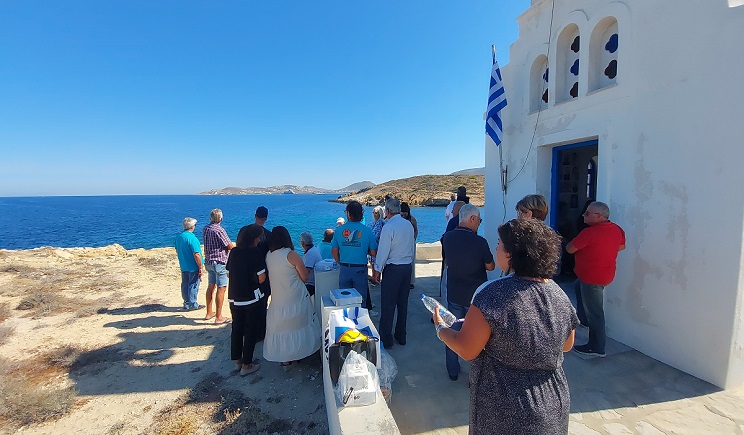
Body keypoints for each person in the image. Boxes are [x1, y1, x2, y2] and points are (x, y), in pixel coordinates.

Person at [434, 219, 578, 434]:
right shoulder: (559, 295)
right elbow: (566, 345)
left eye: (500, 244)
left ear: (512, 254)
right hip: (552, 402)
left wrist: (441, 329)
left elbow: (466, 348)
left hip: (503, 407)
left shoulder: (492, 294)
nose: (496, 247)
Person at [440, 204, 495, 381]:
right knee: (477, 338)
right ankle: (475, 377)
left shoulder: (447, 238)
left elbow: (448, 261)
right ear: (472, 219)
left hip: (454, 293)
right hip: (476, 298)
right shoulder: (480, 242)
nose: (480, 223)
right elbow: (491, 266)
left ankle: (452, 371)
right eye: (479, 219)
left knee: (453, 332)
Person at [566, 201, 625, 357]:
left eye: (587, 213)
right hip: (604, 275)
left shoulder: (589, 233)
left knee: (596, 313)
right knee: (577, 286)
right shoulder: (617, 229)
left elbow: (570, 249)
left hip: (592, 278)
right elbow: (621, 246)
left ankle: (597, 347)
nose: (583, 215)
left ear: (598, 216)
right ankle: (583, 320)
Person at [263, 226, 321, 366]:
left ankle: (285, 359)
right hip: (295, 296)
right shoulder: (291, 255)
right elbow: (305, 277)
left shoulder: (269, 256)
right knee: (298, 326)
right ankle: (298, 355)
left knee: (283, 330)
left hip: (278, 298)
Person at [372, 198, 415, 349]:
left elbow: (383, 251)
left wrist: (377, 270)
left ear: (387, 211)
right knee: (402, 303)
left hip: (393, 269)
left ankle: (386, 338)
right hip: (406, 267)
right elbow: (411, 246)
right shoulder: (408, 224)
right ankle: (401, 335)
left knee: (388, 304)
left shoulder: (389, 227)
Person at [226, 224, 266, 376]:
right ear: (255, 238)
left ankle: (237, 360)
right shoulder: (255, 253)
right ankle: (247, 365)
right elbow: (261, 278)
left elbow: (229, 273)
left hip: (234, 297)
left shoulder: (234, 252)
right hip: (251, 297)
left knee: (236, 328)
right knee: (250, 331)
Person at [332, 201, 378, 307]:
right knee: (361, 301)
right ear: (361, 214)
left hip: (344, 269)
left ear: (348, 213)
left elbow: (334, 252)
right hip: (360, 270)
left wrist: (341, 262)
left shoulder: (339, 230)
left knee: (344, 301)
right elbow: (374, 252)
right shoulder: (367, 230)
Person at [202, 208, 235, 324]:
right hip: (220, 262)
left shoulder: (206, 228)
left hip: (209, 261)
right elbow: (229, 245)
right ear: (220, 218)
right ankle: (219, 317)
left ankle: (209, 312)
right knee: (222, 288)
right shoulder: (219, 230)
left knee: (211, 286)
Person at [175, 217, 204, 311]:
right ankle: (193, 303)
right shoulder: (192, 238)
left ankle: (186, 302)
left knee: (185, 284)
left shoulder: (179, 237)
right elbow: (196, 254)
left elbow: (177, 249)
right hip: (192, 265)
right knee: (193, 284)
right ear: (191, 226)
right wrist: (200, 266)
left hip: (184, 264)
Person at [400, 202, 418, 288]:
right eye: (402, 211)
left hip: (411, 242)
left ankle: (411, 281)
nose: (403, 213)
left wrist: (413, 238)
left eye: (405, 211)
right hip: (402, 243)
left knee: (411, 261)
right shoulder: (399, 219)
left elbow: (416, 230)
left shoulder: (412, 219)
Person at [300, 231, 322, 296]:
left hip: (311, 284)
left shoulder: (310, 254)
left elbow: (305, 274)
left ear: (303, 243)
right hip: (313, 282)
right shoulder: (313, 250)